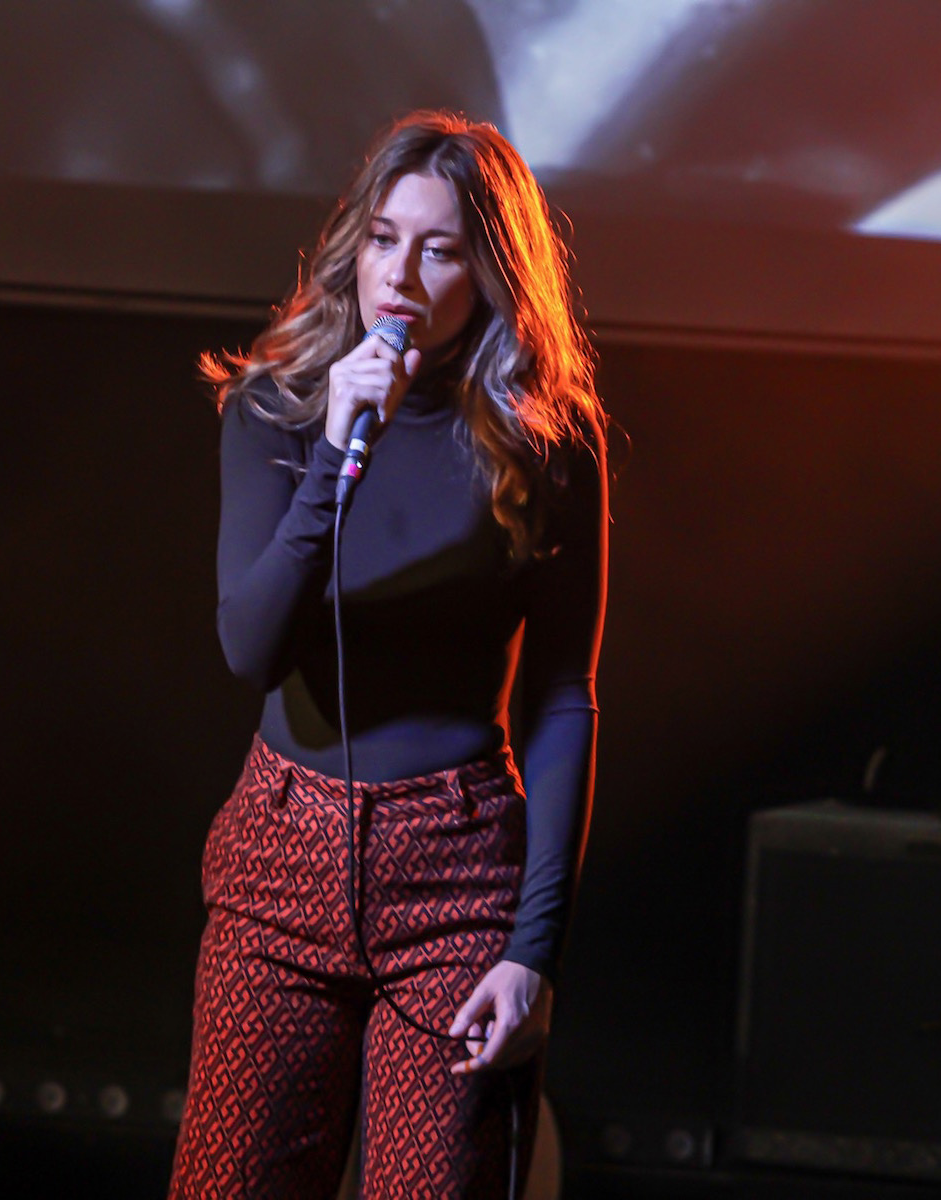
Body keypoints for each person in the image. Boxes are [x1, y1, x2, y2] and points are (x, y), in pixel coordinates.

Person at [169, 110, 607, 1200]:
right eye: (382, 238)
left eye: (439, 249)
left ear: (492, 274)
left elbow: (563, 694)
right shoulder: (277, 406)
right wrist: (332, 455)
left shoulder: (546, 439)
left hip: (454, 877)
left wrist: (534, 950)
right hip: (281, 858)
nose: (399, 276)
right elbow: (249, 648)